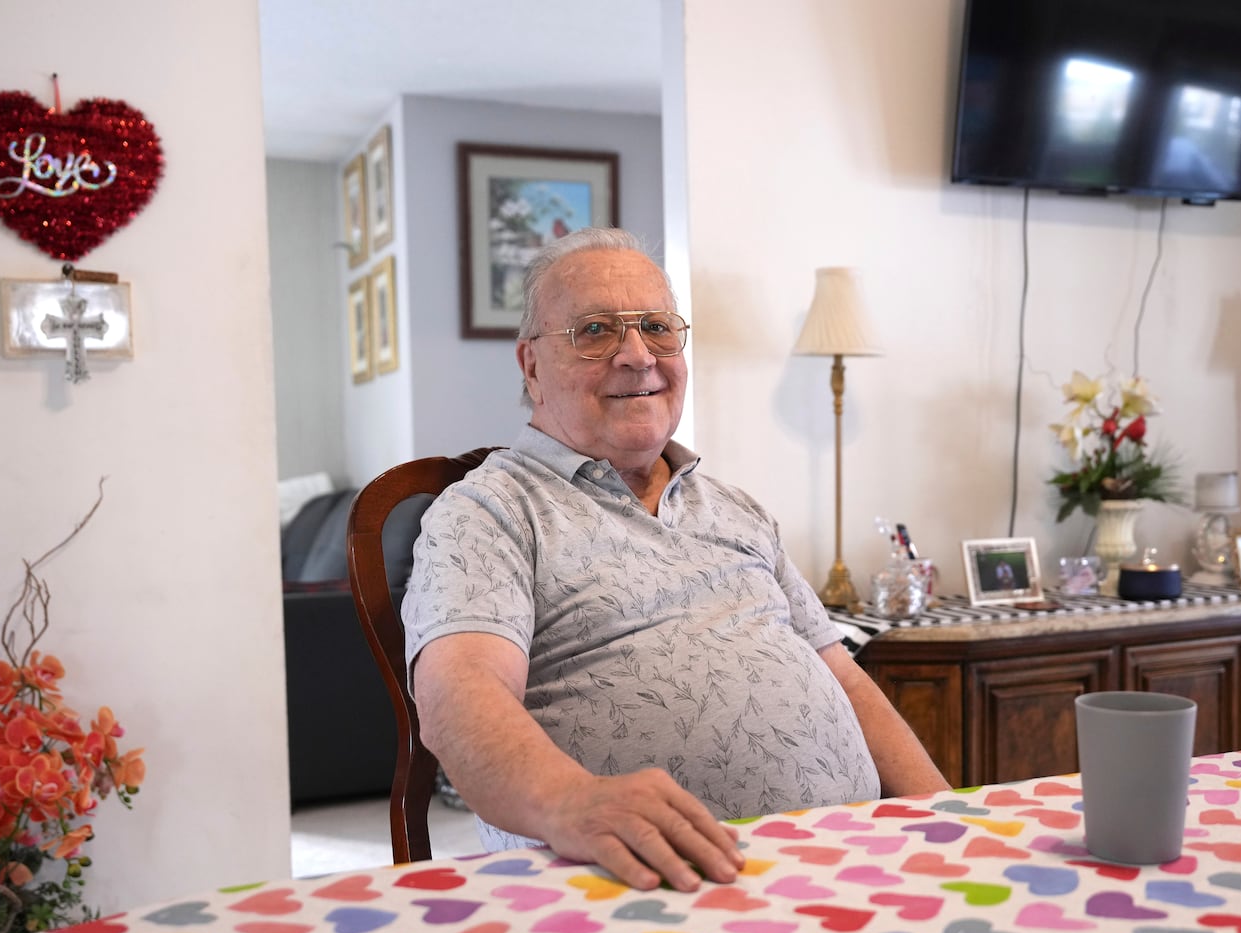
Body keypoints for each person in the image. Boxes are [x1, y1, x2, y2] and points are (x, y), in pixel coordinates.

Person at [403, 228, 948, 892]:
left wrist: (942, 822)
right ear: (531, 366)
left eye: (658, 327)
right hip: (640, 886)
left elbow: (847, 681)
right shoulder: (490, 510)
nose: (637, 356)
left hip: (852, 867)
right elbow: (459, 696)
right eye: (596, 330)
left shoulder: (737, 508)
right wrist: (570, 799)